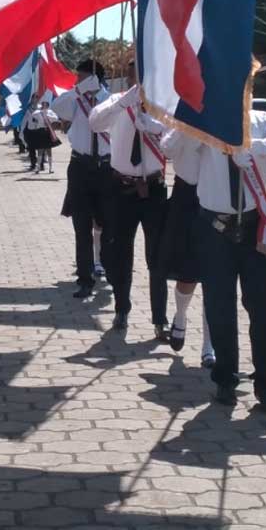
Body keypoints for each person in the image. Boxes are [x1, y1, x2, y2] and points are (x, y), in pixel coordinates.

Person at [172, 105, 266, 413]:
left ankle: (265, 383)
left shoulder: (263, 121)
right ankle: (225, 379)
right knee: (219, 307)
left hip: (255, 227)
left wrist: (253, 146)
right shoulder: (205, 124)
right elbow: (184, 170)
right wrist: (192, 132)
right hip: (214, 228)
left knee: (263, 307)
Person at [88, 83, 170, 340]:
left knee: (157, 256)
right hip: (121, 188)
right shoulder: (116, 100)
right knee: (118, 254)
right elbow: (95, 122)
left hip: (153, 188)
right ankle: (121, 308)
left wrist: (155, 127)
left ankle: (160, 319)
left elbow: (176, 139)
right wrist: (124, 102)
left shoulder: (164, 104)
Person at [53, 63, 114, 299]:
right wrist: (78, 91)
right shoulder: (74, 100)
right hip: (80, 166)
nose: (77, 80)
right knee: (81, 226)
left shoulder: (109, 99)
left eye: (82, 76)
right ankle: (85, 278)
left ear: (95, 77)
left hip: (106, 168)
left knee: (108, 224)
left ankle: (109, 267)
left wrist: (97, 93)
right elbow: (59, 108)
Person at [158, 126, 214, 367]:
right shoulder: (182, 120)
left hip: (218, 198)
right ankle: (180, 316)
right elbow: (167, 149)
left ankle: (209, 345)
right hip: (186, 198)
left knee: (215, 277)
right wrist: (188, 126)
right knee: (188, 273)